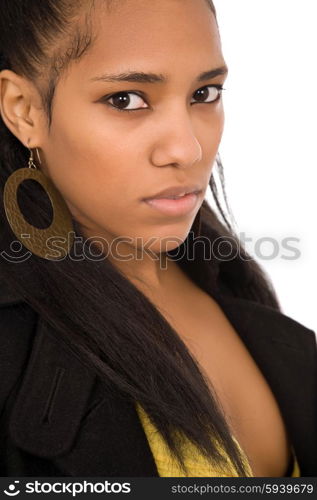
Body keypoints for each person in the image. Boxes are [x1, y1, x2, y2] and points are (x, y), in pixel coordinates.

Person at [0, 0, 316, 478]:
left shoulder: (241, 296)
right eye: (126, 99)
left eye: (204, 93)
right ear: (24, 111)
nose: (187, 148)